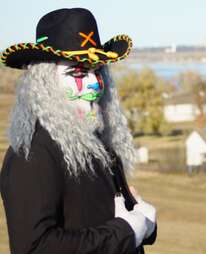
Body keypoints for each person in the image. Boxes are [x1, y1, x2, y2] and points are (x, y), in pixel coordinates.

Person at [0, 8, 157, 254]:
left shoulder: (95, 140)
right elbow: (35, 248)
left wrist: (144, 221)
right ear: (45, 82)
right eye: (78, 72)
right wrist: (127, 231)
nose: (94, 84)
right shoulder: (32, 154)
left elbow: (104, 214)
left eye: (98, 71)